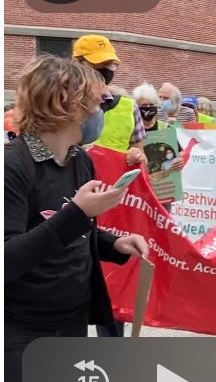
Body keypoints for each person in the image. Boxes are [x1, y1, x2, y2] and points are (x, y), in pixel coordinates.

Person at [4, 55, 149, 381]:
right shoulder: (12, 167)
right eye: (96, 104)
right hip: (20, 331)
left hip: (73, 322)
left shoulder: (80, 161)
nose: (100, 113)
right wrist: (79, 213)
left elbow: (76, 232)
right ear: (66, 106)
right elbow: (7, 258)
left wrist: (114, 243)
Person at [71, 34, 147, 167]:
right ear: (77, 63)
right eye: (98, 63)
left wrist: (137, 155)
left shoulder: (129, 107)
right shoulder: (58, 103)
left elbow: (143, 159)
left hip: (113, 185)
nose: (105, 69)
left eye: (110, 64)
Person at [132, 82, 185, 212]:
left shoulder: (165, 128)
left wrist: (179, 161)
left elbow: (179, 153)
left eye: (152, 105)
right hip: (136, 190)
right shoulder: (131, 128)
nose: (148, 108)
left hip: (162, 192)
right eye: (144, 105)